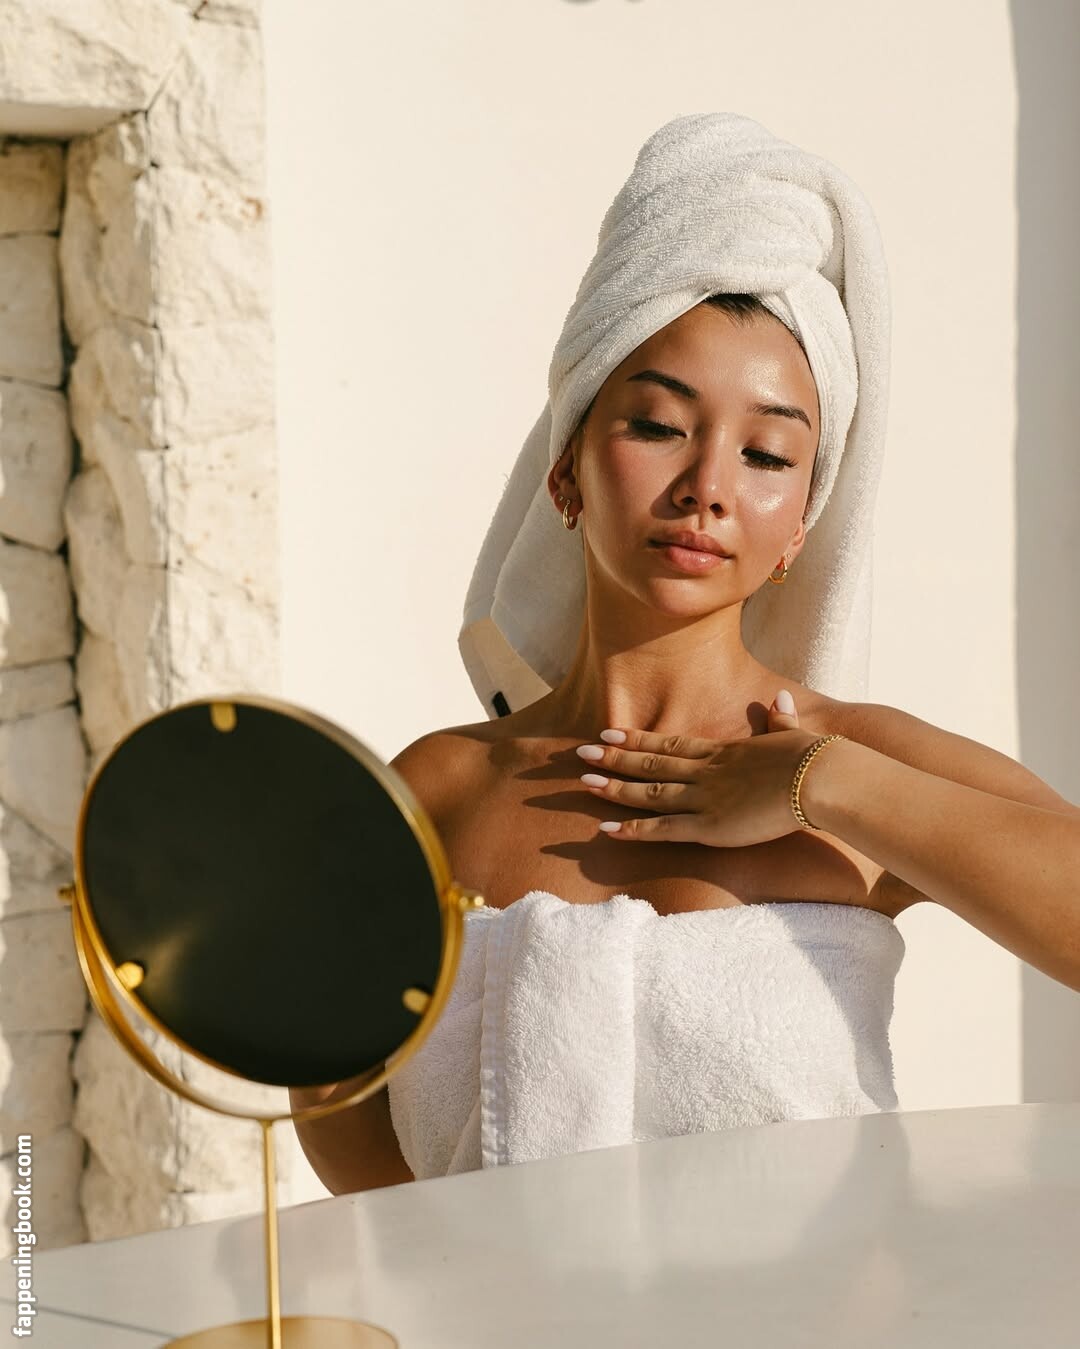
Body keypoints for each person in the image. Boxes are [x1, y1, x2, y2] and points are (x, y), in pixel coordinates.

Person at [291, 118, 1080, 1196]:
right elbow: (348, 1131)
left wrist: (819, 783)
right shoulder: (437, 792)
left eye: (766, 453)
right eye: (660, 426)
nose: (708, 486)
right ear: (566, 470)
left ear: (800, 524)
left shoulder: (855, 760)